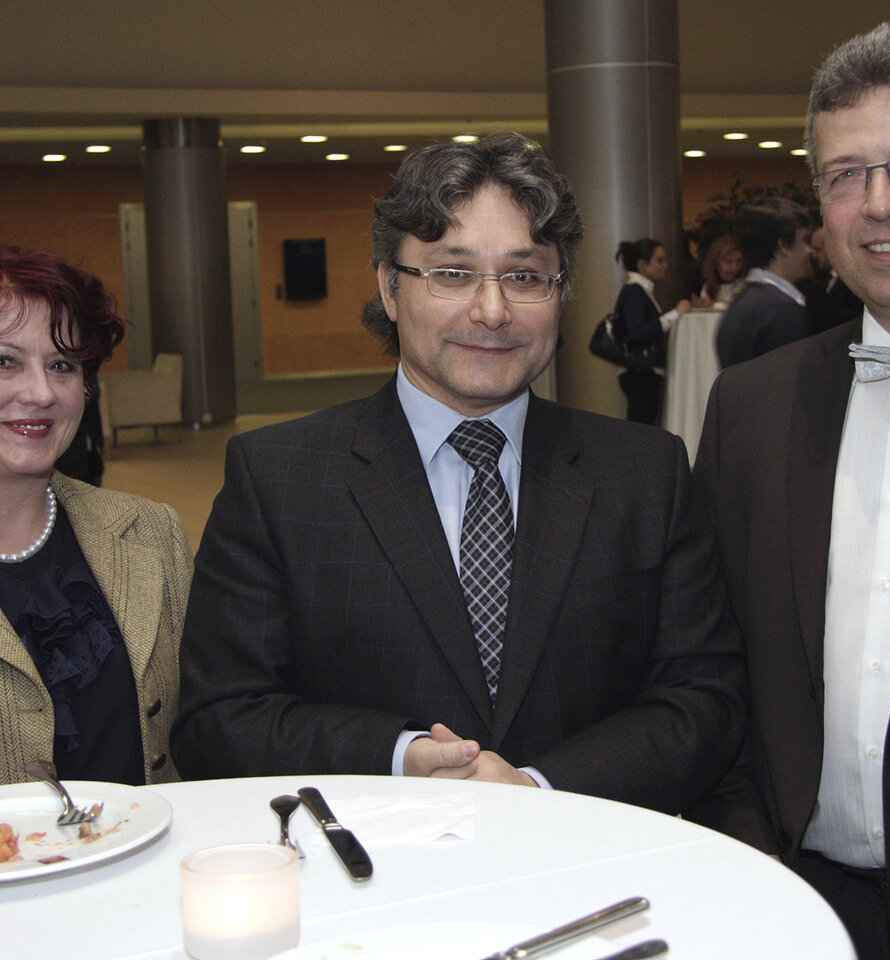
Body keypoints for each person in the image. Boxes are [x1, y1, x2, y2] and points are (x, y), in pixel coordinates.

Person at [171, 132, 745, 811]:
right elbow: (219, 719)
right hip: (371, 859)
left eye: (525, 277)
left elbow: (703, 699)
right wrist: (397, 757)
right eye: (452, 273)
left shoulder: (647, 474)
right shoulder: (279, 478)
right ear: (389, 288)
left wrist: (539, 789)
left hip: (588, 853)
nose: (492, 311)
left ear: (561, 293)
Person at [690, 22, 890, 960]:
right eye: (847, 175)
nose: (881, 203)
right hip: (794, 903)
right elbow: (709, 657)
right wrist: (745, 846)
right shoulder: (750, 408)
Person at [0, 246, 192, 785]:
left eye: (62, 365)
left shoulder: (151, 532)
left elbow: (203, 728)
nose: (41, 393)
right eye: (5, 361)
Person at [715, 197, 812, 367]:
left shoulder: (744, 302)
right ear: (783, 245)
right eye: (804, 240)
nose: (808, 250)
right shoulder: (781, 310)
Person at [612, 238, 691, 424]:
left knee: (642, 425)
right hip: (641, 372)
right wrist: (675, 314)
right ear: (642, 264)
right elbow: (637, 331)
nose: (665, 265)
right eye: (659, 260)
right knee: (641, 427)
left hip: (642, 371)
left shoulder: (639, 291)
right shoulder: (635, 291)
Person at [801, 225, 864, 335]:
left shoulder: (854, 282)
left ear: (832, 246)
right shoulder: (820, 278)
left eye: (817, 249)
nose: (813, 255)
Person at [698, 235, 746, 305]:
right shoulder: (708, 289)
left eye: (738, 261)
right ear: (716, 263)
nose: (734, 267)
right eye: (729, 262)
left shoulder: (746, 286)